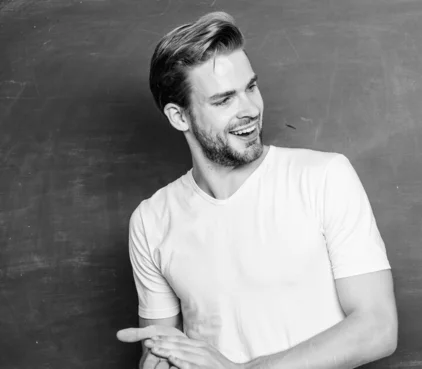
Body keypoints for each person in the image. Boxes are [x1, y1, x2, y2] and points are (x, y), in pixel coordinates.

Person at [116, 11, 398, 369]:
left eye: (250, 87)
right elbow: (160, 349)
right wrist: (157, 361)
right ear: (179, 116)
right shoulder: (150, 221)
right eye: (223, 100)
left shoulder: (323, 177)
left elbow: (378, 328)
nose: (249, 109)